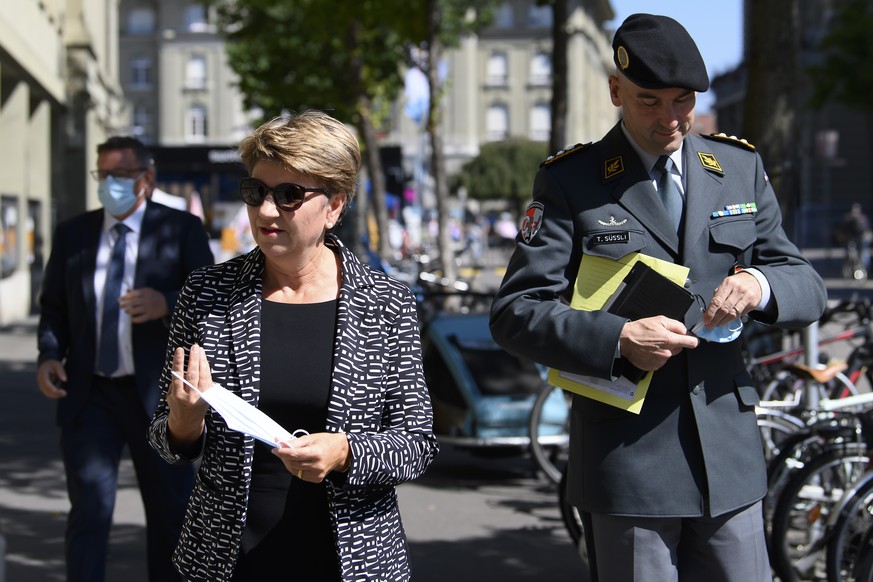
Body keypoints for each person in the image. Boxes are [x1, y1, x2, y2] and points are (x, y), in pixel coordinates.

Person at [489, 13, 827, 582]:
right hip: (628, 461)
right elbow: (516, 312)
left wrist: (759, 284)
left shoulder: (738, 168)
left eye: (683, 101)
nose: (670, 119)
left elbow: (804, 281)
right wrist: (617, 337)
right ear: (616, 91)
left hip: (729, 455)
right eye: (649, 101)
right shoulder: (573, 181)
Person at [147, 110, 439, 581]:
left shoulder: (387, 304)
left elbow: (418, 444)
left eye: (288, 196)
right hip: (226, 558)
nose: (265, 211)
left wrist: (344, 453)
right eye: (256, 192)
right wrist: (182, 426)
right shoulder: (206, 294)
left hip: (353, 558)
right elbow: (164, 436)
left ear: (335, 206)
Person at [36, 135, 215, 582]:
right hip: (89, 393)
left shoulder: (181, 230)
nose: (109, 185)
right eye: (103, 175)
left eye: (120, 175)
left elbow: (211, 302)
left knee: (171, 514)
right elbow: (54, 307)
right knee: (90, 513)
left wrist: (166, 302)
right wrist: (49, 354)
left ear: (146, 179)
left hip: (159, 399)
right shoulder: (73, 234)